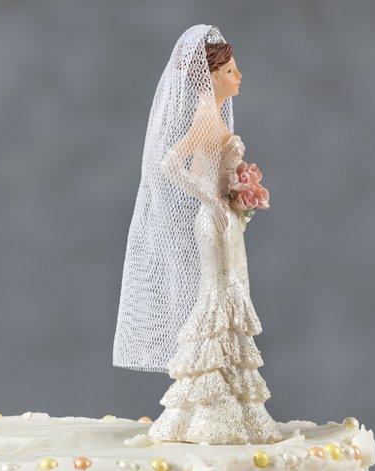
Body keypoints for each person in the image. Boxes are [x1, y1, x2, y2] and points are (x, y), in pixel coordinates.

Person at [113, 25, 282, 444]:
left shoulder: (212, 113)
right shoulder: (207, 115)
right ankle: (212, 406)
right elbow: (171, 163)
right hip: (214, 221)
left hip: (224, 219)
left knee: (230, 291)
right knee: (220, 296)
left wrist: (237, 197)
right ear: (212, 76)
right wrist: (214, 197)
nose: (238, 76)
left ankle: (228, 403)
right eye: (231, 69)